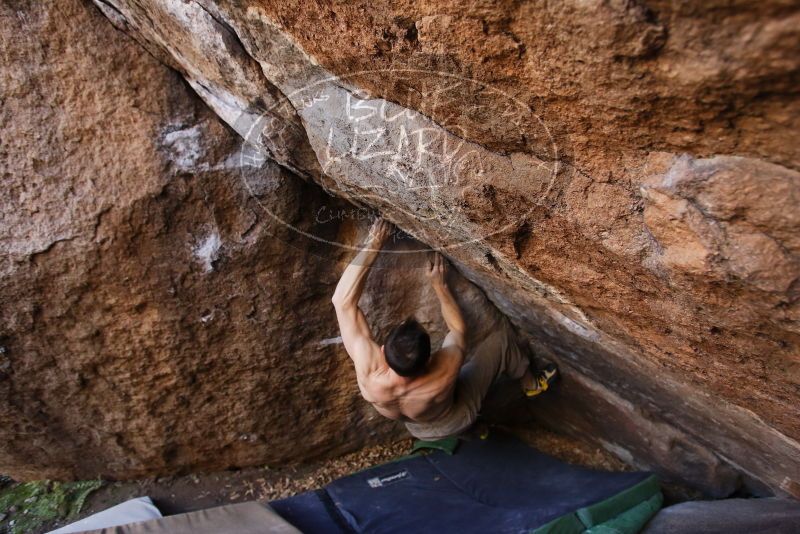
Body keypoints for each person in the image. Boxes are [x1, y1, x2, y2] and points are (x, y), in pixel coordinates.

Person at [331, 218, 557, 441]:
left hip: (419, 430)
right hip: (456, 415)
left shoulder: (370, 377)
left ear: (382, 353)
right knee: (503, 342)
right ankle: (530, 384)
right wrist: (440, 286)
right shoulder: (444, 370)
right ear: (430, 360)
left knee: (449, 413)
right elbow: (458, 330)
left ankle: (476, 430)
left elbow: (342, 302)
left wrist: (375, 242)